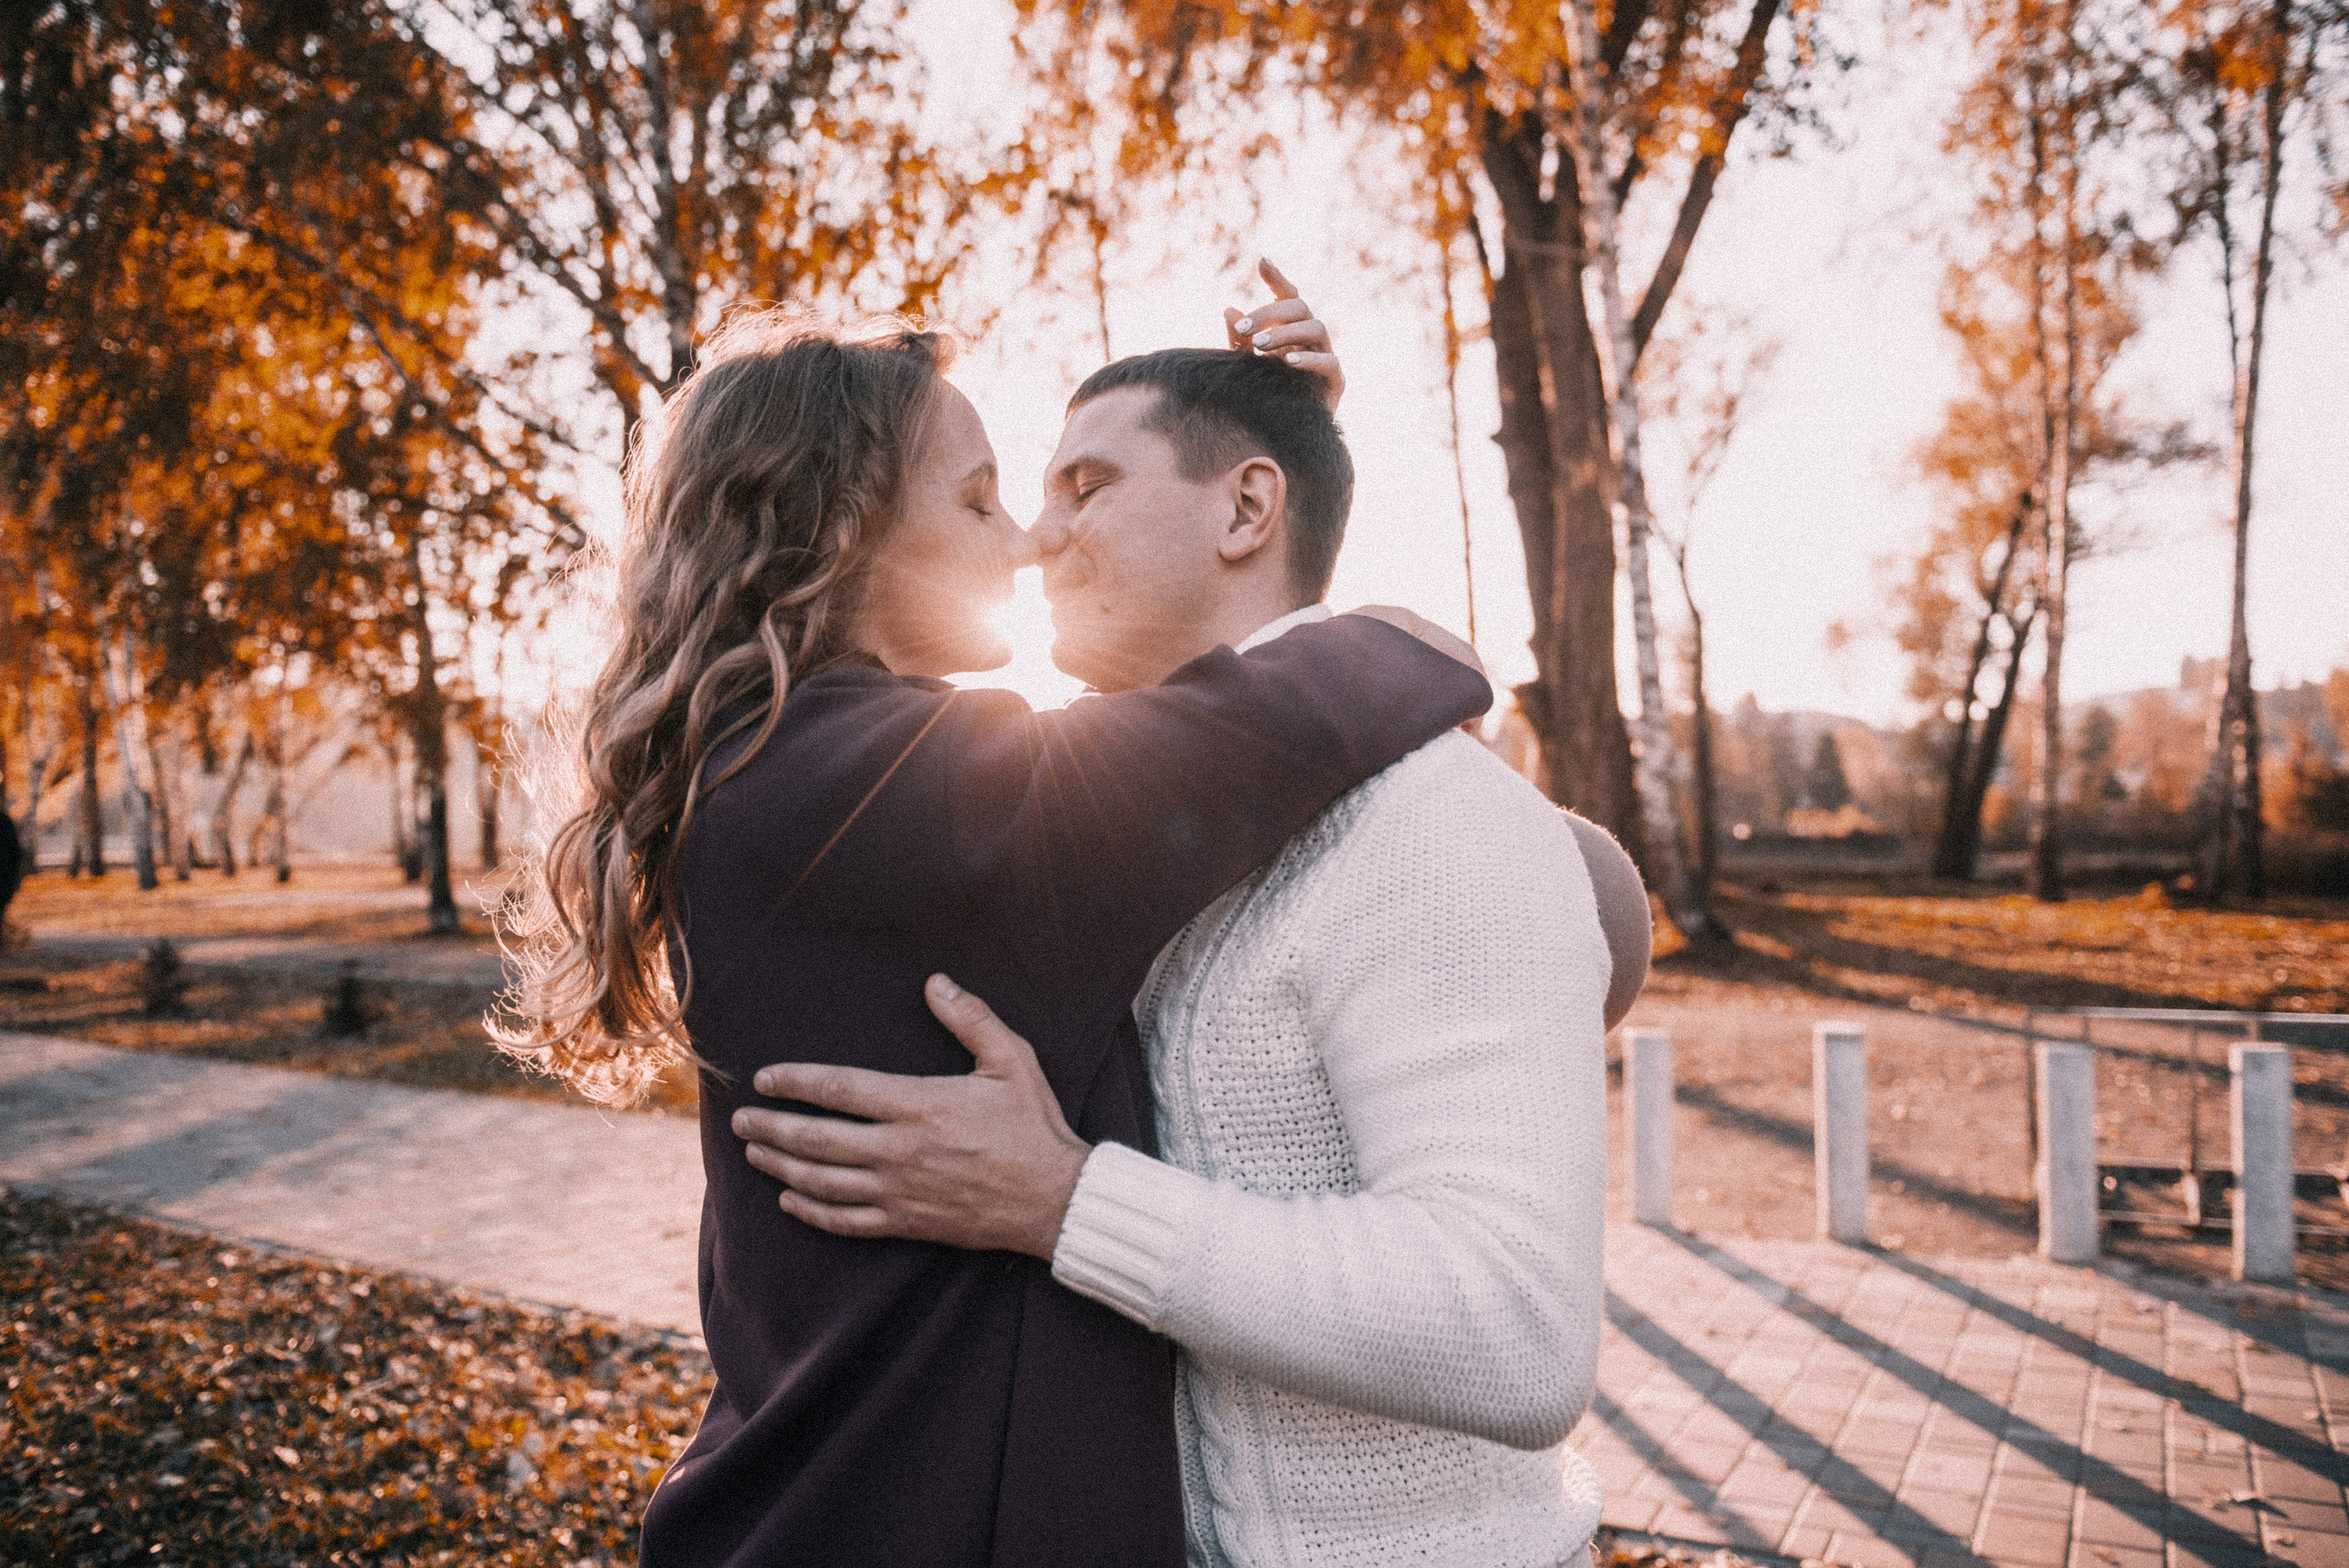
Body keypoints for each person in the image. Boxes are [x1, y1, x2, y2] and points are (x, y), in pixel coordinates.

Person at [494, 281, 1493, 1568]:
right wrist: (1384, 630)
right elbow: (1247, 737)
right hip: (896, 1517)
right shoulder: (861, 787)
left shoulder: (788, 768)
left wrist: (1276, 457)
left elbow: (1225, 757)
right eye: (977, 498)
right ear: (836, 530)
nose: (1024, 541)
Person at [734, 347, 1651, 1566]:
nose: (1036, 539)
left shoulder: (1435, 817)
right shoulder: (1083, 823)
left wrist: (1065, 1201)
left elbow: (1516, 1325)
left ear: (1246, 506)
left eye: (1087, 485)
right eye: (1016, 497)